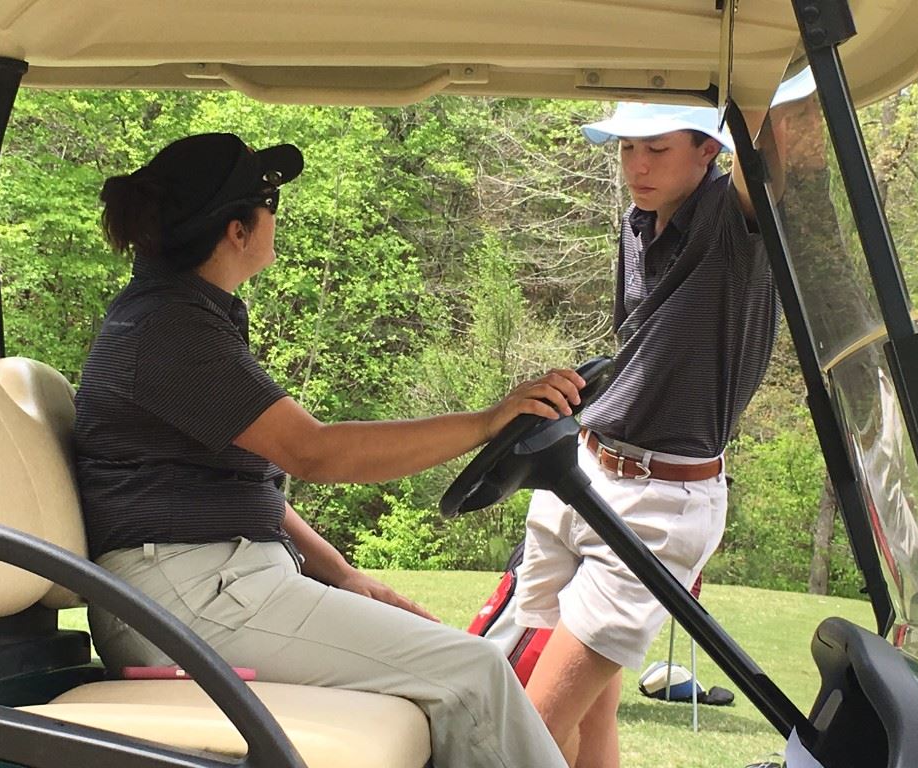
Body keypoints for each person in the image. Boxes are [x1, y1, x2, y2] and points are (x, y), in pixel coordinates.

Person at [73, 131, 583, 768]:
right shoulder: (168, 331)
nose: (274, 221)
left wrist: (341, 573)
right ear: (238, 230)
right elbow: (312, 453)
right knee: (471, 671)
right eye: (271, 205)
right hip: (179, 603)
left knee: (448, 668)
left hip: (203, 588)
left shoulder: (186, 316)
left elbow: (241, 484)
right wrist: (487, 421)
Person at [513, 102, 780, 767]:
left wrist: (759, 58)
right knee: (588, 713)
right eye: (627, 148)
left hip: (658, 503)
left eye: (656, 149)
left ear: (709, 151)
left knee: (518, 738)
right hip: (580, 474)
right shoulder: (637, 223)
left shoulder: (733, 219)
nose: (636, 165)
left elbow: (781, 150)